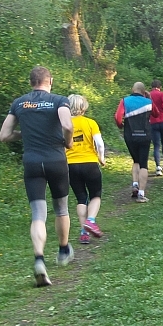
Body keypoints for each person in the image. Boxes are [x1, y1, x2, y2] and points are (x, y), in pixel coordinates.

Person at [0, 66, 75, 287]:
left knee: (38, 214)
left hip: (32, 162)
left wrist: (25, 134)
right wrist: (68, 142)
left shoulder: (19, 103)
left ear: (31, 82)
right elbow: (67, 124)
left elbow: (3, 135)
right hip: (56, 160)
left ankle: (39, 258)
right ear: (49, 81)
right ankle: (62, 250)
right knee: (61, 208)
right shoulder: (59, 100)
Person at [66, 94, 106, 245]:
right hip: (89, 163)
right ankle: (90, 221)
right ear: (83, 107)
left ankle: (84, 233)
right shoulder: (90, 123)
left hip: (70, 165)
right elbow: (99, 144)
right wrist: (101, 158)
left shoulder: (64, 124)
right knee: (95, 195)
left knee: (81, 198)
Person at [114, 82, 152, 203]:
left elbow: (117, 116)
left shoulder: (125, 101)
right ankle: (141, 193)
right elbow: (155, 114)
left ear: (133, 89)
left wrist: (120, 125)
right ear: (143, 91)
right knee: (143, 164)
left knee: (136, 160)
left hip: (130, 135)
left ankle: (135, 184)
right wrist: (149, 99)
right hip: (145, 135)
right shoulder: (149, 102)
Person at [149, 79, 163, 176]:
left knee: (156, 145)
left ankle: (158, 167)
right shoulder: (162, 94)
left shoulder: (148, 95)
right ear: (160, 87)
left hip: (152, 121)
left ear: (151, 87)